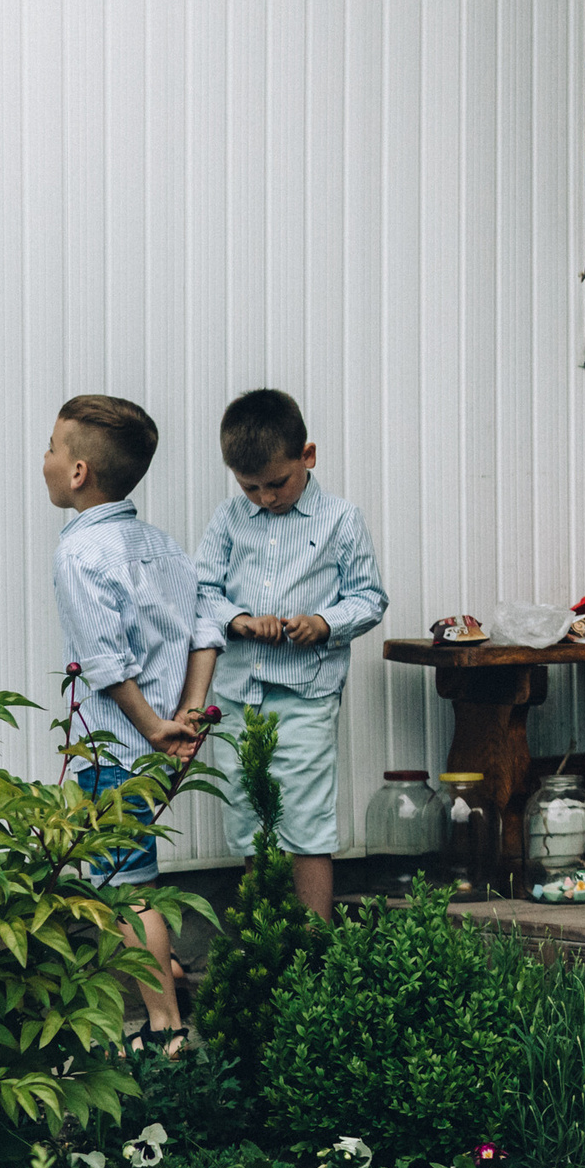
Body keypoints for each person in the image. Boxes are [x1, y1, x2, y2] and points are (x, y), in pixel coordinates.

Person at [44, 395, 215, 1054]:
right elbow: (206, 628)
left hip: (116, 750)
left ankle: (165, 1029)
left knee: (126, 890)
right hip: (158, 748)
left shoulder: (80, 553)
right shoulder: (163, 547)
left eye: (52, 448)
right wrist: (187, 716)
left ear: (78, 471)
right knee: (133, 869)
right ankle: (171, 973)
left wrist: (151, 727)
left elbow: (104, 662)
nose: (45, 460)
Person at [192, 390, 387, 921]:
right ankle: (266, 943)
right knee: (250, 819)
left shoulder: (341, 520)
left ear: (308, 455)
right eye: (249, 487)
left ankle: (314, 948)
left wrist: (323, 624)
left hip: (306, 696)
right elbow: (202, 590)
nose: (265, 497)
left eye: (277, 483)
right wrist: (239, 620)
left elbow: (369, 598)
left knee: (305, 820)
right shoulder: (229, 520)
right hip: (237, 697)